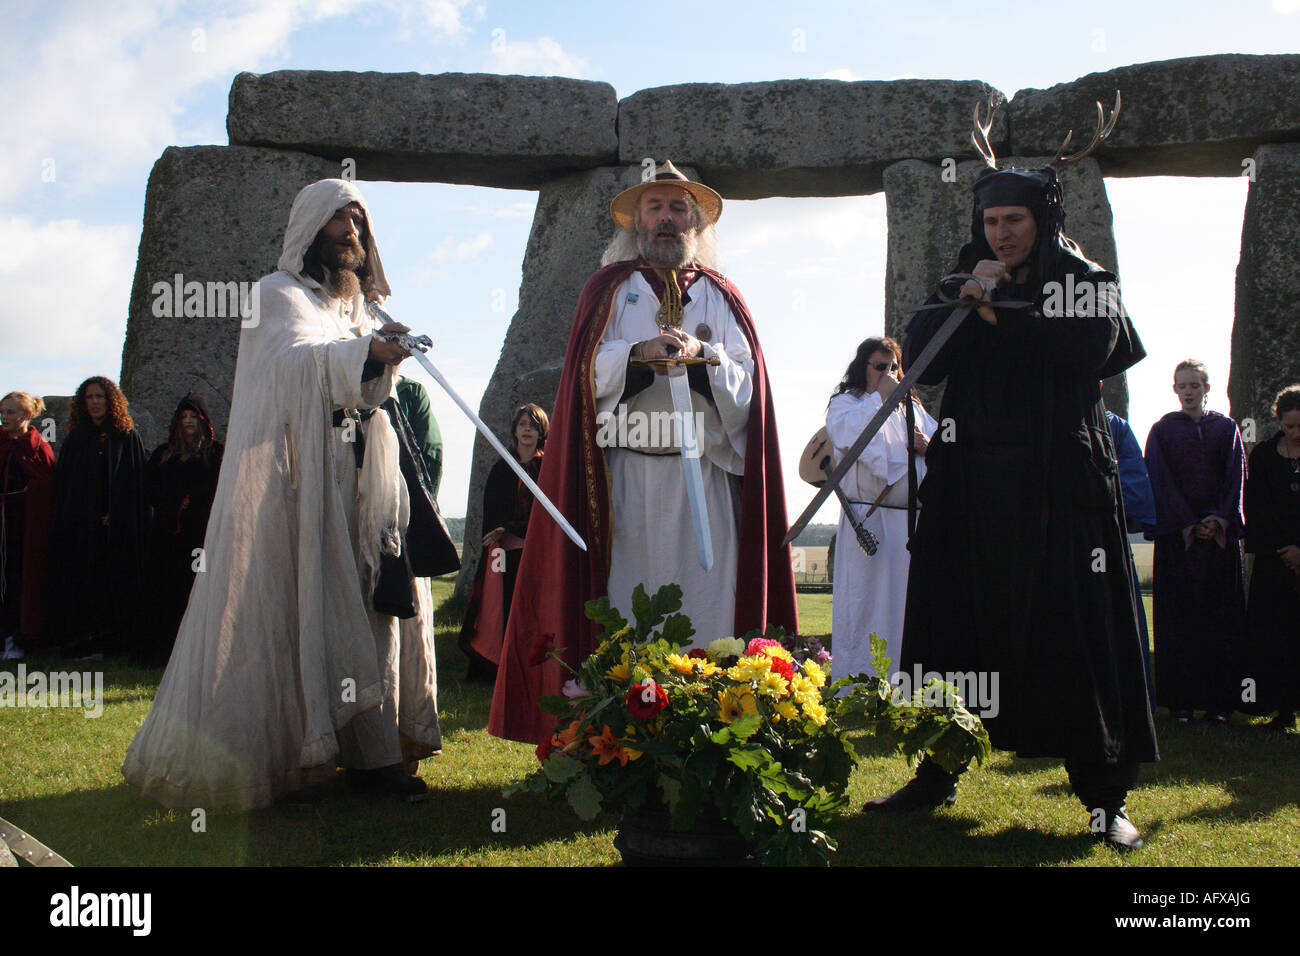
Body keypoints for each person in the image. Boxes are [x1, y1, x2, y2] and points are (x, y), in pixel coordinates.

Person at [123, 179, 458, 809]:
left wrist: (381, 350)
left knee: (377, 612)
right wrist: (364, 352)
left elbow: (361, 378)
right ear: (309, 231)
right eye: (339, 221)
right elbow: (287, 368)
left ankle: (376, 757)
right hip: (307, 483)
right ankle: (293, 758)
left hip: (369, 484)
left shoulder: (361, 307)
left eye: (359, 222)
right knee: (307, 609)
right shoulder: (275, 296)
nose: (352, 233)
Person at [872, 142, 1158, 850]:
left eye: (1016, 220)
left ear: (1044, 220)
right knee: (954, 628)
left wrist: (998, 316)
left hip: (1060, 489)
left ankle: (1103, 800)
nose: (1002, 232)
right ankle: (937, 772)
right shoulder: (965, 279)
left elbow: (1086, 349)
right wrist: (969, 300)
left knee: (1076, 633)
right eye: (992, 219)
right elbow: (921, 353)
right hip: (970, 488)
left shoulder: (1086, 280)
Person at [489, 160, 798, 746]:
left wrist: (702, 356)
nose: (665, 219)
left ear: (696, 221)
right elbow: (584, 370)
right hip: (624, 477)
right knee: (627, 607)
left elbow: (749, 384)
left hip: (705, 480)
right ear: (636, 221)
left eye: (678, 208)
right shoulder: (608, 289)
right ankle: (625, 740)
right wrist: (637, 354)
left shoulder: (724, 297)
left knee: (709, 604)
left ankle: (706, 735)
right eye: (654, 208)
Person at [826, 337, 935, 679]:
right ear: (864, 367)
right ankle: (859, 689)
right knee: (865, 609)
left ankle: (904, 689)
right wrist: (882, 399)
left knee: (906, 611)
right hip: (868, 521)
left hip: (909, 526)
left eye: (893, 368)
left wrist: (928, 447)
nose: (887, 374)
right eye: (879, 367)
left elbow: (941, 448)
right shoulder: (847, 404)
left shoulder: (914, 409)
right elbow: (856, 441)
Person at [1144, 360, 1247, 724]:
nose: (1188, 391)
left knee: (1220, 623)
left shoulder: (1227, 429)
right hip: (1178, 542)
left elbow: (1236, 478)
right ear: (1175, 390)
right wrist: (1188, 523)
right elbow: (1159, 480)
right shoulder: (1162, 431)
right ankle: (1181, 703)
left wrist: (1218, 520)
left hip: (1218, 542)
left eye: (1194, 385)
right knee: (1179, 623)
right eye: (1181, 385)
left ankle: (1219, 703)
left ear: (1207, 388)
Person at [45, 376, 147, 660]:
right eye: (89, 397)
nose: (94, 402)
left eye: (100, 397)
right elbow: (67, 486)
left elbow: (135, 484)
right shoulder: (77, 438)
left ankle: (114, 640)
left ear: (110, 400)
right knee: (83, 584)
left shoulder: (127, 436)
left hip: (118, 531)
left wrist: (116, 513)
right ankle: (84, 640)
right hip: (83, 530)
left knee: (115, 584)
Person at [459, 403, 548, 682]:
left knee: (531, 610)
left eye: (532, 425)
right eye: (522, 424)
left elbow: (546, 512)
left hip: (536, 553)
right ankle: (498, 667)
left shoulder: (548, 468)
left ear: (541, 431)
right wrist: (499, 529)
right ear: (514, 429)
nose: (527, 430)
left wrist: (512, 526)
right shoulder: (502, 468)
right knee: (502, 608)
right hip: (504, 554)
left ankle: (531, 668)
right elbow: (494, 509)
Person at [136, 393, 225, 667]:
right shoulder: (164, 454)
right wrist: (169, 502)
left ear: (203, 421)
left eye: (193, 417)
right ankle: (160, 651)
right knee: (163, 590)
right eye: (183, 417)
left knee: (196, 589)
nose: (188, 422)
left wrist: (195, 502)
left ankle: (198, 652)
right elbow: (146, 487)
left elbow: (221, 488)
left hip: (200, 536)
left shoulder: (215, 453)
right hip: (166, 536)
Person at [1242, 384, 1300, 731]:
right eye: (1290, 426)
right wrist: (1287, 551)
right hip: (1273, 561)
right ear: (1278, 421)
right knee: (1275, 635)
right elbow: (1256, 508)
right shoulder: (1263, 455)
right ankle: (1282, 708)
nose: (1296, 433)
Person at [1105, 405, 1157, 705]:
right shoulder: (1044, 416)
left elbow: (1135, 487)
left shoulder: (1117, 428)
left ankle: (1131, 699)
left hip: (1109, 534)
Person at [0, 392, 56, 660]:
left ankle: (16, 638)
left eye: (11, 412)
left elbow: (46, 484)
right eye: (2, 412)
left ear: (26, 415)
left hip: (22, 528)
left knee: (18, 581)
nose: (5, 417)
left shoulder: (36, 446)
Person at [396, 376, 443, 499]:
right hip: (402, 491)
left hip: (400, 488)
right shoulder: (411, 391)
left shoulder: (411, 391)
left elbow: (429, 448)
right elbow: (430, 451)